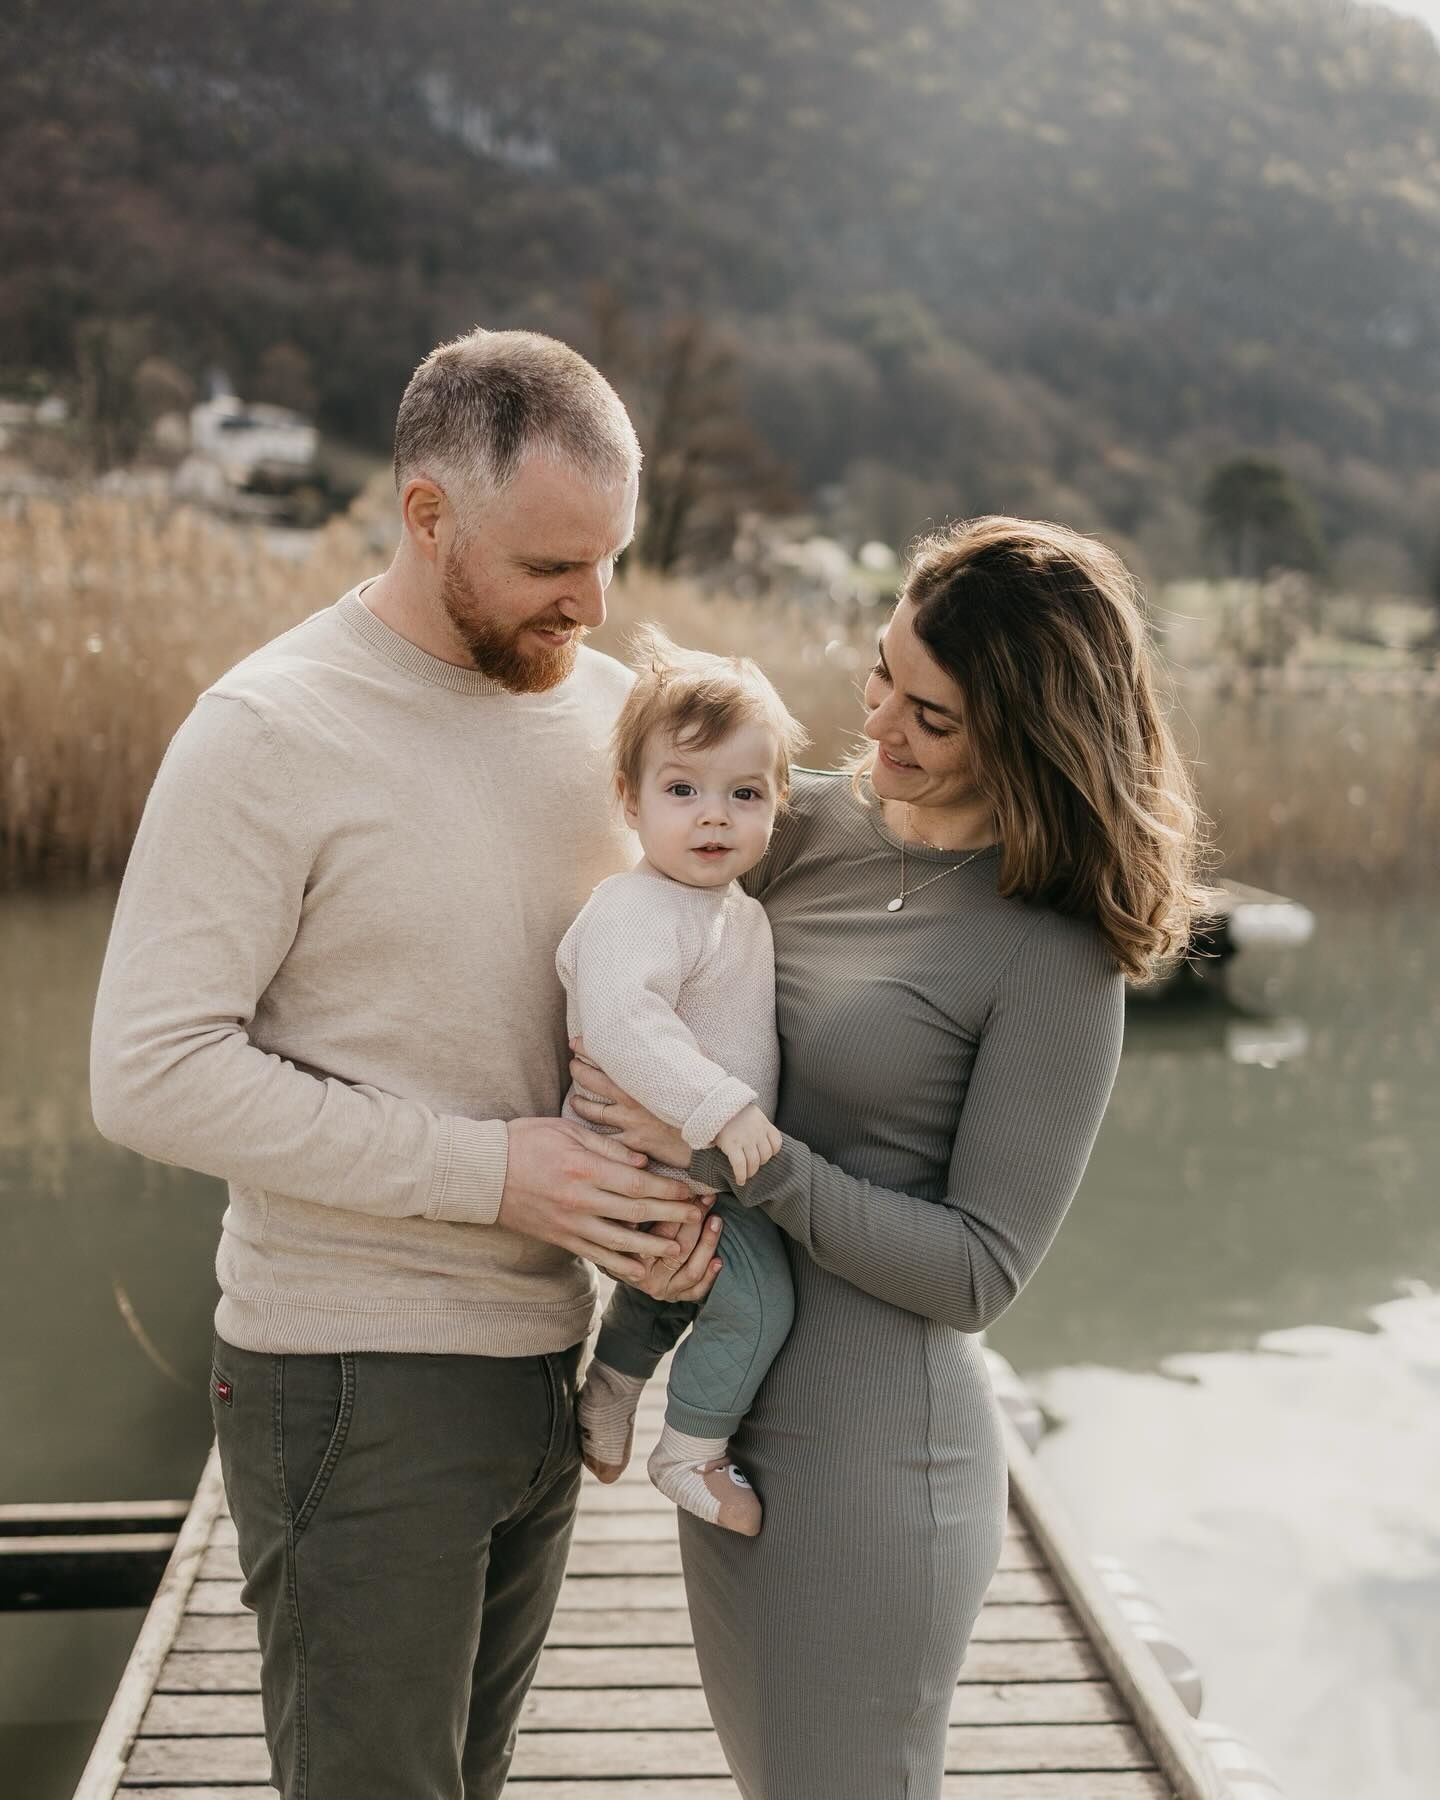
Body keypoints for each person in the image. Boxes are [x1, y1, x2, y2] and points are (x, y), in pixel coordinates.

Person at [89, 328, 715, 1800]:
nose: (594, 603)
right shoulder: (268, 730)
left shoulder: (611, 719)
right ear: (427, 514)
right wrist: (495, 1174)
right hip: (350, 1382)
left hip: (548, 1364)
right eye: (552, 564)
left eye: (611, 559)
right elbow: (150, 1071)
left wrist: (670, 1182)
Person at [568, 515, 1209, 1800]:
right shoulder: (784, 828)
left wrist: (743, 1158)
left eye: (933, 716)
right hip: (723, 1425)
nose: (879, 724)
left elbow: (979, 1273)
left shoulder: (1054, 953)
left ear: (1027, 733)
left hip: (873, 1469)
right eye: (881, 673)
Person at [559, 628, 807, 1535]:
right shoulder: (637, 906)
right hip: (649, 1161)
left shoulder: (726, 908)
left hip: (692, 1163)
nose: (714, 818)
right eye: (682, 790)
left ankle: (610, 1391)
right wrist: (722, 1109)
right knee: (759, 1298)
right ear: (629, 800)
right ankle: (690, 1449)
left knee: (675, 1286)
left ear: (778, 801)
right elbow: (623, 1022)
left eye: (745, 794)